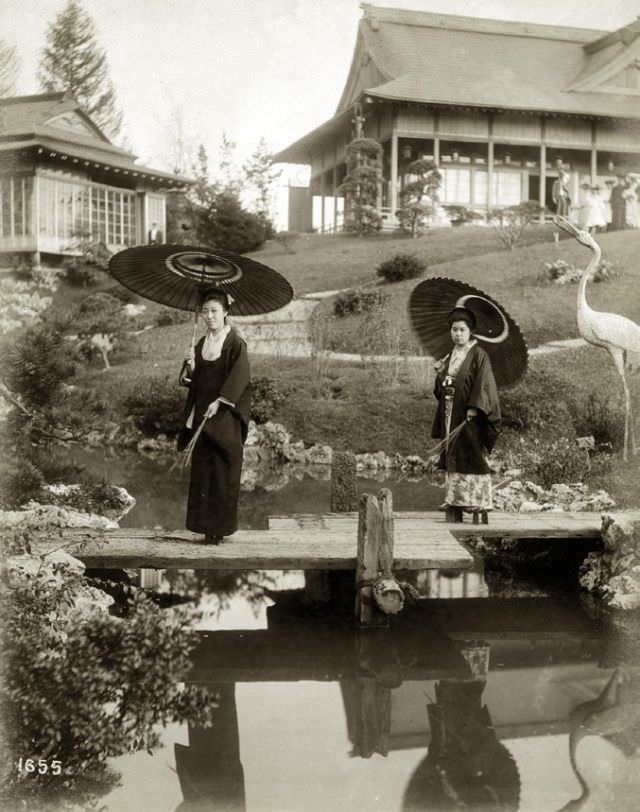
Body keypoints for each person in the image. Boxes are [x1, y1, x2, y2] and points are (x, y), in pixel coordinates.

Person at [178, 289, 250, 544]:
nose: (209, 317)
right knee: (203, 473)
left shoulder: (234, 344)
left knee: (222, 473)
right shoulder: (201, 344)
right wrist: (191, 366)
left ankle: (219, 530)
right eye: (205, 311)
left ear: (226, 313)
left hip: (225, 420)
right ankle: (205, 528)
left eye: (214, 311)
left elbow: (240, 377)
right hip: (202, 417)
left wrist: (220, 401)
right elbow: (194, 382)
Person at [431, 307, 501, 524]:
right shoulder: (450, 355)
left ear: (470, 332)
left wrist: (475, 408)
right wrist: (440, 374)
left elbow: (484, 383)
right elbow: (443, 388)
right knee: (453, 453)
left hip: (471, 415)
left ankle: (477, 501)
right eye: (454, 330)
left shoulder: (479, 355)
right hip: (450, 412)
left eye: (462, 330)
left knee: (471, 455)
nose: (457, 334)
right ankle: (456, 500)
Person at [552, 169, 572, 241]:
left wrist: (567, 191)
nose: (562, 176)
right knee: (560, 204)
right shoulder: (556, 182)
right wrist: (554, 197)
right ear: (559, 175)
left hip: (563, 195)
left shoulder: (563, 182)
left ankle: (563, 215)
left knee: (564, 203)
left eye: (562, 175)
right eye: (561, 175)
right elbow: (553, 190)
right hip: (558, 196)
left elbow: (566, 189)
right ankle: (559, 215)